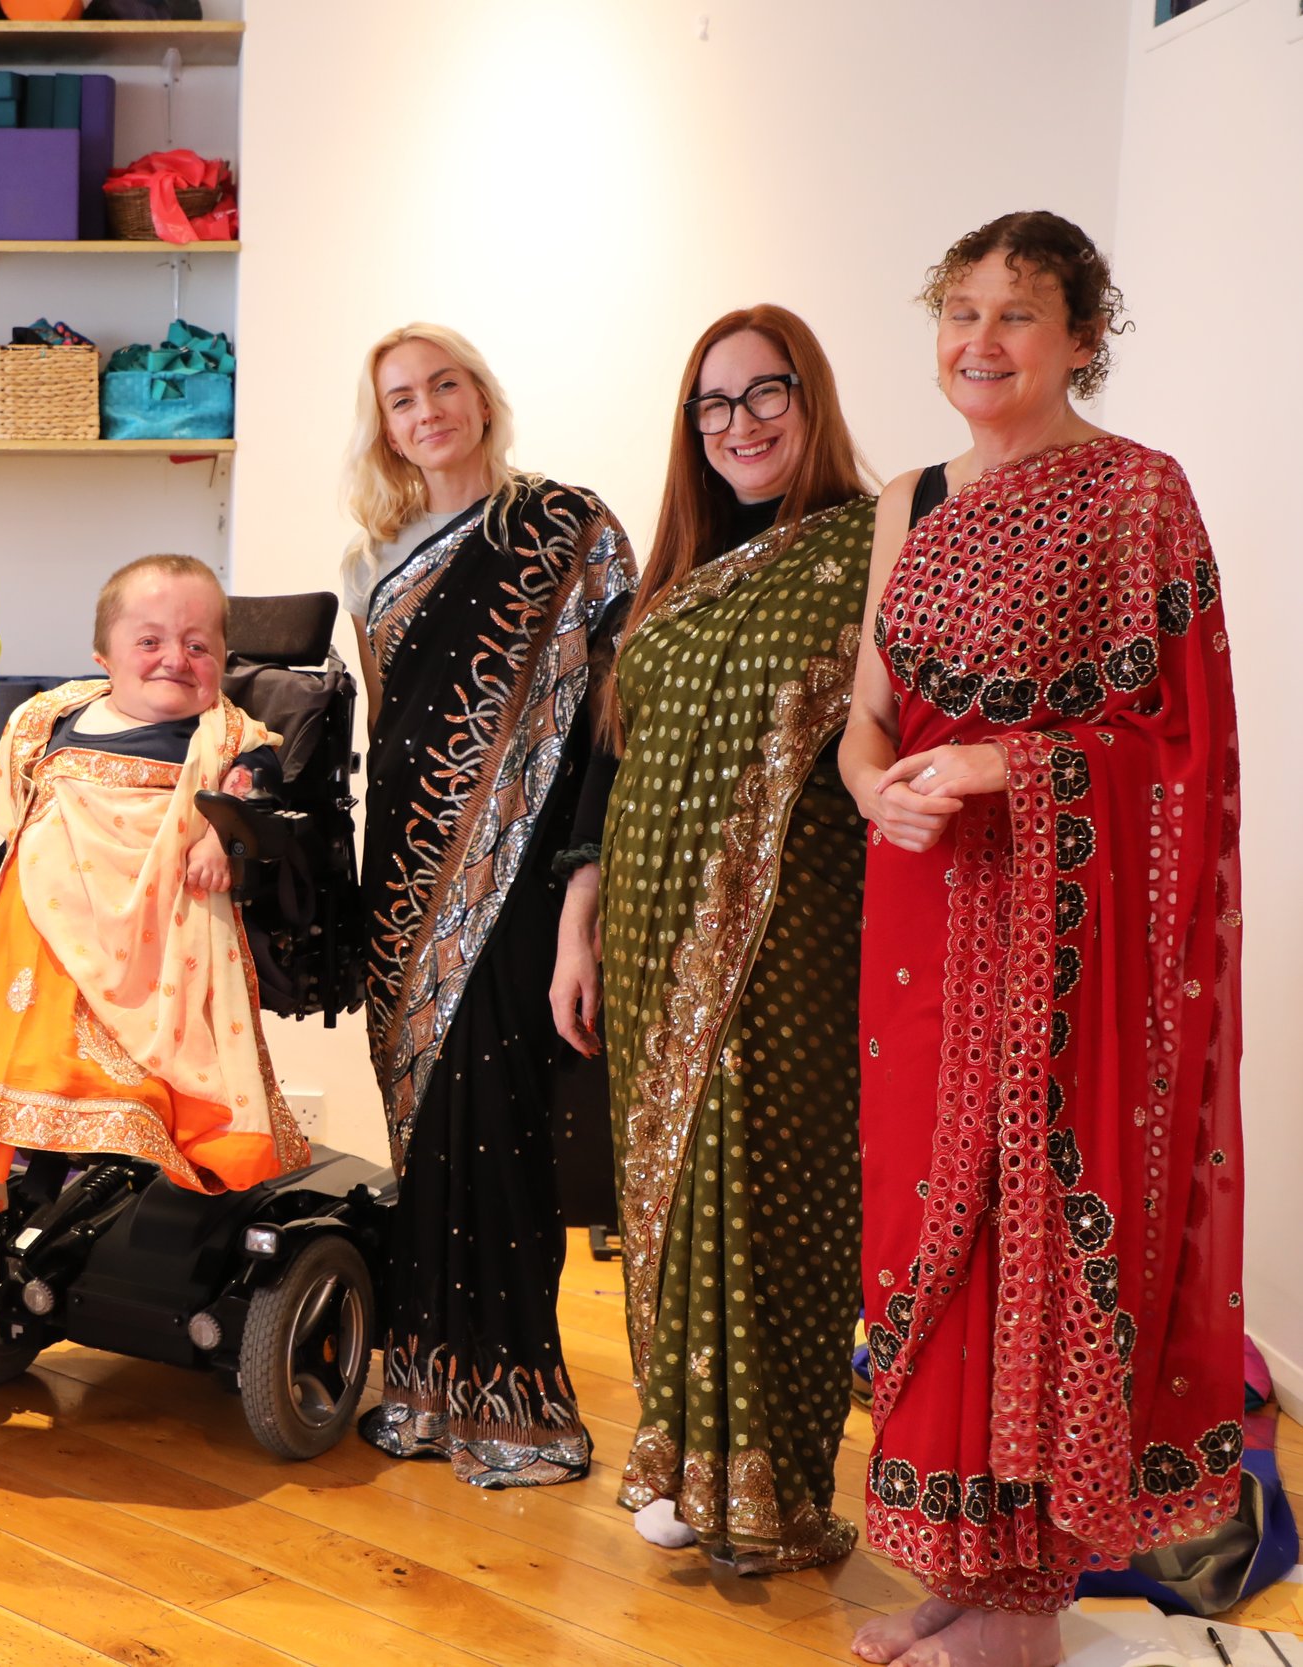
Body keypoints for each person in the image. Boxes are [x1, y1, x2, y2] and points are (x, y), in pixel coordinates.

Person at [842, 212, 1243, 1667]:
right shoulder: (912, 494)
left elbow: (1182, 741)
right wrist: (873, 787)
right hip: (924, 902)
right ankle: (966, 1569)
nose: (981, 341)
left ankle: (1028, 1611)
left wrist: (1017, 768)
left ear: (1084, 336)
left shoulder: (1141, 495)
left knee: (1043, 1224)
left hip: (1068, 928)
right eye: (959, 309)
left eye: (1019, 314)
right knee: (925, 1239)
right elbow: (869, 714)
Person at [551, 306, 875, 1573]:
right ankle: (680, 1458)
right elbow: (603, 768)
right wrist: (577, 923)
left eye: (764, 394)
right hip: (643, 932)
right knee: (671, 1195)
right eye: (713, 404)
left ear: (811, 396)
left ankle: (778, 1481)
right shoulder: (671, 580)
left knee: (775, 1187)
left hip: (798, 935)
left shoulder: (871, 545)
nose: (739, 424)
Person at [342, 323, 634, 1487]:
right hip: (403, 887)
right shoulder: (375, 555)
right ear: (386, 428)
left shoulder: (569, 527)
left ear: (481, 394)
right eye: (402, 399)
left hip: (521, 885)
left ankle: (519, 1405)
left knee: (502, 1133)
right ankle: (421, 1382)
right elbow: (388, 727)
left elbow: (614, 718)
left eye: (444, 384)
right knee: (420, 1143)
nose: (428, 410)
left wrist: (584, 882)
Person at [0, 555, 309, 1245]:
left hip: (155, 936)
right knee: (27, 1037)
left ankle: (96, 1167)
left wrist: (220, 840)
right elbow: (22, 822)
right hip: (44, 928)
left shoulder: (227, 739)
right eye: (151, 641)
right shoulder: (55, 720)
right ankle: (28, 1178)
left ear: (224, 659)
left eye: (199, 645)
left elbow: (254, 799)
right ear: (103, 654)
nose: (175, 658)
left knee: (107, 1059)